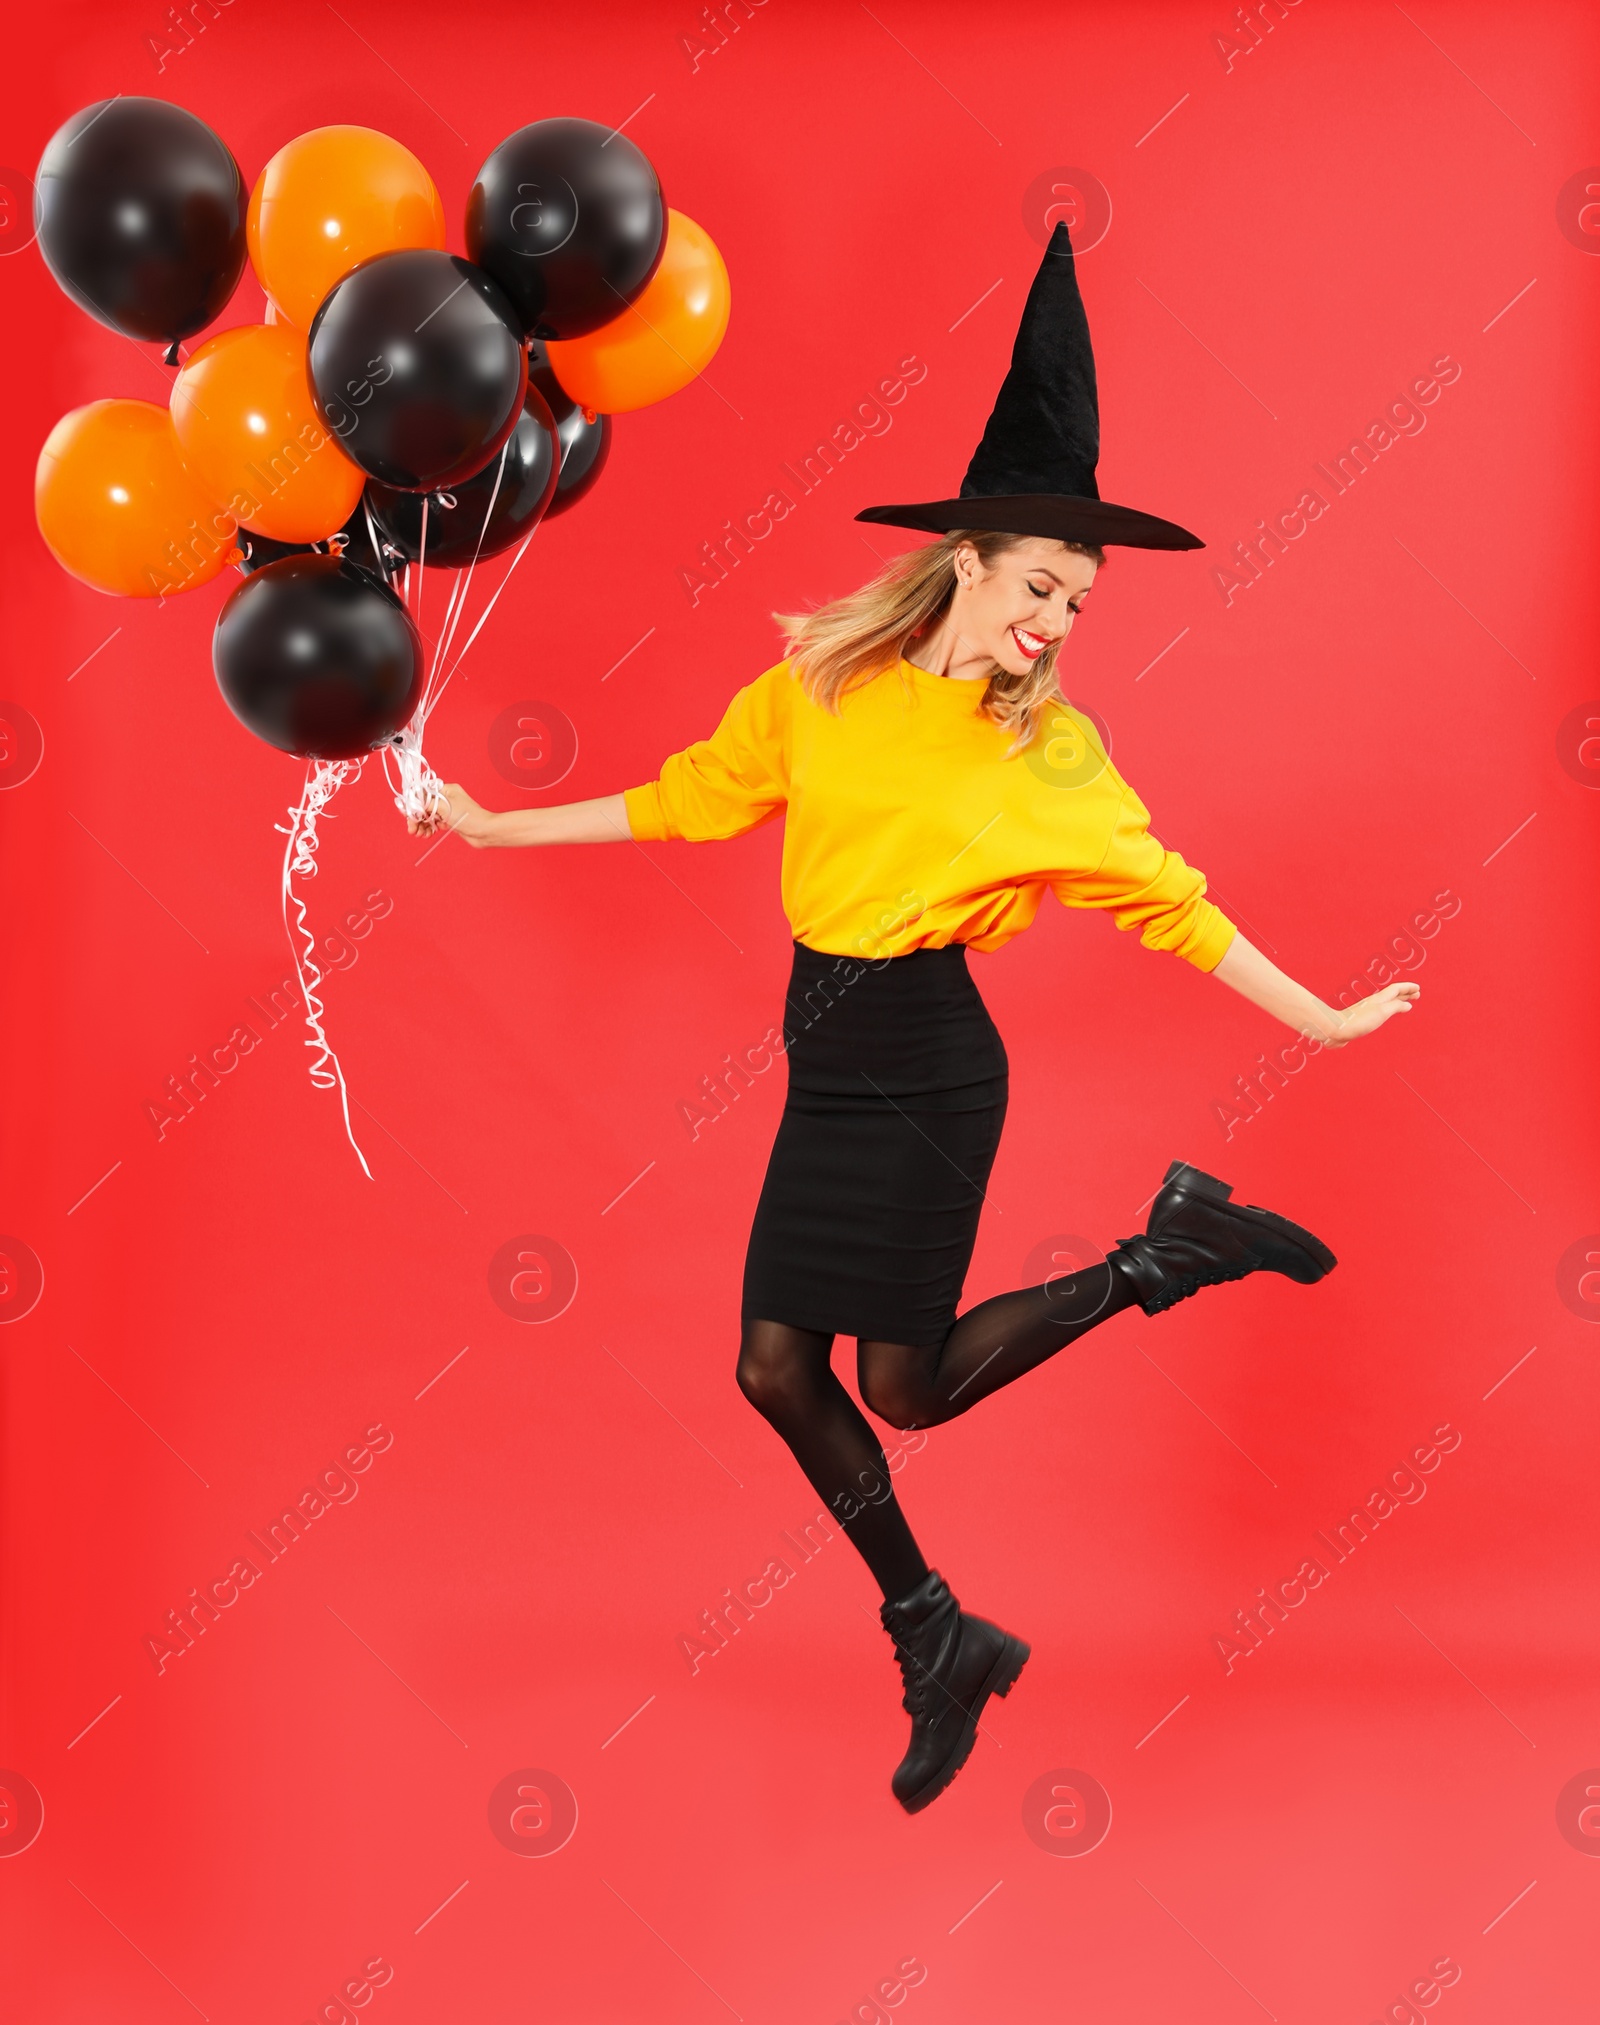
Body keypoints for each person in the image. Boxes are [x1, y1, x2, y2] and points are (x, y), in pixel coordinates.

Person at [409, 225, 1419, 1815]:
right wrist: (487, 825)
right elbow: (687, 802)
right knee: (774, 1369)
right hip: (828, 1052)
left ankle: (1165, 1258)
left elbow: (1174, 899)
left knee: (903, 1386)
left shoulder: (1051, 758)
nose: (1056, 622)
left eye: (1077, 600)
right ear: (966, 559)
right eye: (1038, 586)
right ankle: (940, 1629)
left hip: (933, 1062)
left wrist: (1326, 1020)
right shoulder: (822, 683)